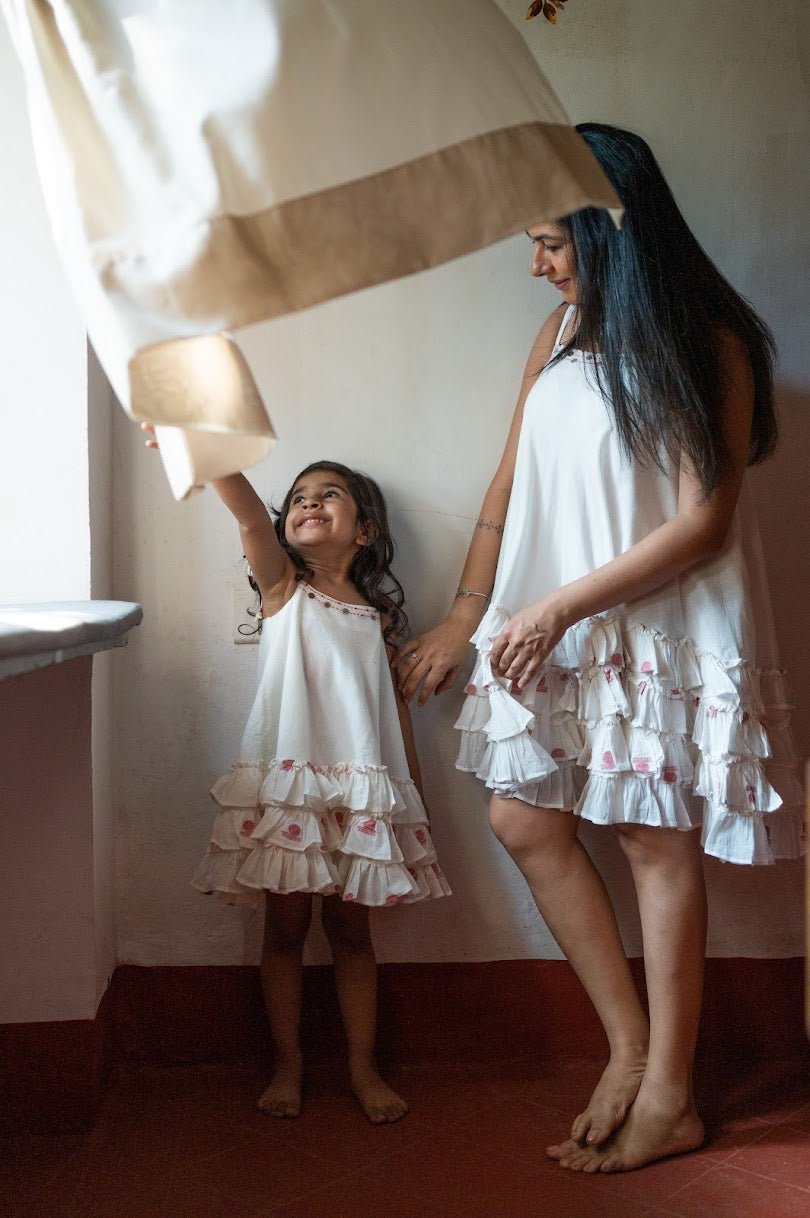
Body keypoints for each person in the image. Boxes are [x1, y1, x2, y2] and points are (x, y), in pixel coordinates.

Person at [393, 123, 803, 1172]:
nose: (536, 265)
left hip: (653, 625)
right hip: (554, 627)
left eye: (550, 242)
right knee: (522, 818)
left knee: (654, 842)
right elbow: (504, 488)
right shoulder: (561, 337)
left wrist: (558, 609)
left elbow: (703, 522)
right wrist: (465, 613)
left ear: (608, 226)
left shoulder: (703, 338)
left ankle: (671, 1096)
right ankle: (628, 1049)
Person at [144, 434, 451, 1123]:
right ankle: (288, 1065)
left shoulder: (378, 624)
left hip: (363, 799)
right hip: (293, 793)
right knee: (283, 931)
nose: (310, 504)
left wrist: (414, 807)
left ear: (365, 531)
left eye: (330, 495)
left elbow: (397, 721)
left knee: (352, 935)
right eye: (300, 499)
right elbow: (250, 515)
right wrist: (197, 441)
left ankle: (362, 1068)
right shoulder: (284, 589)